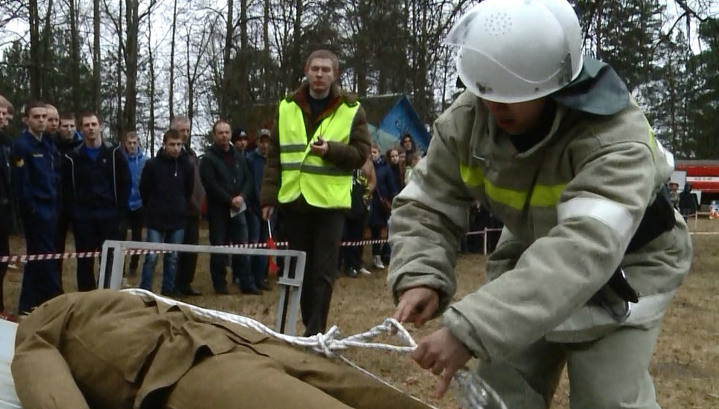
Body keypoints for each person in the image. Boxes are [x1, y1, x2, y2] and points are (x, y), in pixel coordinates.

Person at [388, 1, 692, 408]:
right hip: (532, 255)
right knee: (499, 397)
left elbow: (581, 249)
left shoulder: (615, 139)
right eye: (483, 91)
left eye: (511, 94)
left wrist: (470, 329)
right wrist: (421, 273)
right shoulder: (469, 120)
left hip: (629, 267)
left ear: (555, 86)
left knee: (608, 399)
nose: (493, 108)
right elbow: (428, 204)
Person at [12, 290, 433, 409]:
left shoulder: (108, 296)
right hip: (188, 367)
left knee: (387, 399)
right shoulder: (41, 322)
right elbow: (43, 378)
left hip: (245, 345)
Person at [260, 49, 371, 336]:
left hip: (330, 203)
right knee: (300, 269)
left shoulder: (351, 109)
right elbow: (274, 156)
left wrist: (331, 150)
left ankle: (315, 330)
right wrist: (268, 198)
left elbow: (361, 154)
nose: (319, 74)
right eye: (315, 69)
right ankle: (308, 322)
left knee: (323, 271)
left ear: (335, 74)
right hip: (294, 200)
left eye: (326, 70)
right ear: (306, 71)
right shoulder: (285, 107)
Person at [63, 112, 130, 291]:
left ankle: (108, 295)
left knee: (109, 260)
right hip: (83, 218)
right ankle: (87, 297)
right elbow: (68, 189)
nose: (91, 129)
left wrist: (120, 213)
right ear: (81, 129)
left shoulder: (115, 153)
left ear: (100, 126)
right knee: (85, 261)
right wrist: (73, 215)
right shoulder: (73, 157)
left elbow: (125, 184)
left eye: (93, 124)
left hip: (109, 215)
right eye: (86, 125)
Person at [10, 101, 63, 314]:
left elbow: (54, 175)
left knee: (38, 258)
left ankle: (28, 304)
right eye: (37, 117)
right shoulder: (22, 145)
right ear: (27, 120)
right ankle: (56, 300)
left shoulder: (48, 144)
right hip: (36, 209)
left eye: (44, 116)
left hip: (51, 206)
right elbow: (21, 182)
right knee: (45, 256)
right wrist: (31, 208)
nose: (42, 120)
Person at [200, 120, 257, 295]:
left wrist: (242, 197)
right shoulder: (208, 158)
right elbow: (210, 184)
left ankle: (246, 282)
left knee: (242, 245)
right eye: (220, 133)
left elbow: (248, 179)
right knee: (219, 247)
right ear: (214, 135)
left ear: (230, 134)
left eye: (226, 132)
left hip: (238, 207)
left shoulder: (239, 156)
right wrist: (229, 199)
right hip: (218, 209)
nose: (224, 136)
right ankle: (220, 284)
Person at [138, 129, 194, 297]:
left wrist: (181, 206)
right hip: (155, 218)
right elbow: (144, 189)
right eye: (172, 145)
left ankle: (168, 290)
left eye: (179, 145)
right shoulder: (152, 165)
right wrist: (152, 207)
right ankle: (145, 290)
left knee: (172, 257)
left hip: (177, 219)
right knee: (152, 257)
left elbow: (188, 189)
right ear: (164, 144)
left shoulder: (187, 165)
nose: (176, 148)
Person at [171, 115, 205, 296]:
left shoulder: (192, 154)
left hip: (194, 208)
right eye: (181, 130)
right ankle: (174, 284)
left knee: (192, 248)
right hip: (178, 209)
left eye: (187, 130)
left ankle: (186, 283)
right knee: (177, 250)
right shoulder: (173, 155)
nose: (184, 134)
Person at [53, 112, 83, 275]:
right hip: (58, 203)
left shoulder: (81, 146)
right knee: (56, 248)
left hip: (78, 203)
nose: (69, 129)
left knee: (83, 249)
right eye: (65, 126)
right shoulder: (52, 145)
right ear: (59, 128)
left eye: (72, 126)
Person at [246, 128, 272, 290]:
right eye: (261, 141)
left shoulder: (273, 161)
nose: (264, 145)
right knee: (253, 243)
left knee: (264, 243)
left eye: (267, 141)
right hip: (253, 207)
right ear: (257, 142)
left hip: (269, 207)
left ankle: (261, 276)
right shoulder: (250, 159)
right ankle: (249, 278)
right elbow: (249, 182)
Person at [120, 131, 147, 277]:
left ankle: (133, 266)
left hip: (139, 203)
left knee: (137, 237)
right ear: (125, 144)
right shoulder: (120, 159)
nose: (132, 145)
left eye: (134, 143)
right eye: (129, 143)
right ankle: (121, 267)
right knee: (121, 236)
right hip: (123, 204)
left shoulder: (144, 161)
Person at [368, 144, 397, 270]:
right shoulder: (367, 167)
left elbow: (392, 188)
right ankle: (371, 257)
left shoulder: (385, 169)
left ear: (379, 153)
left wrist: (393, 202)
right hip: (368, 204)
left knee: (380, 230)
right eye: (370, 152)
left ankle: (381, 254)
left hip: (381, 205)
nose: (372, 154)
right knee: (369, 231)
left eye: (374, 152)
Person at [0, 98, 13, 315]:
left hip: (3, 209)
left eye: (4, 113)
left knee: (3, 259)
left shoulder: (5, 142)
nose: (2, 117)